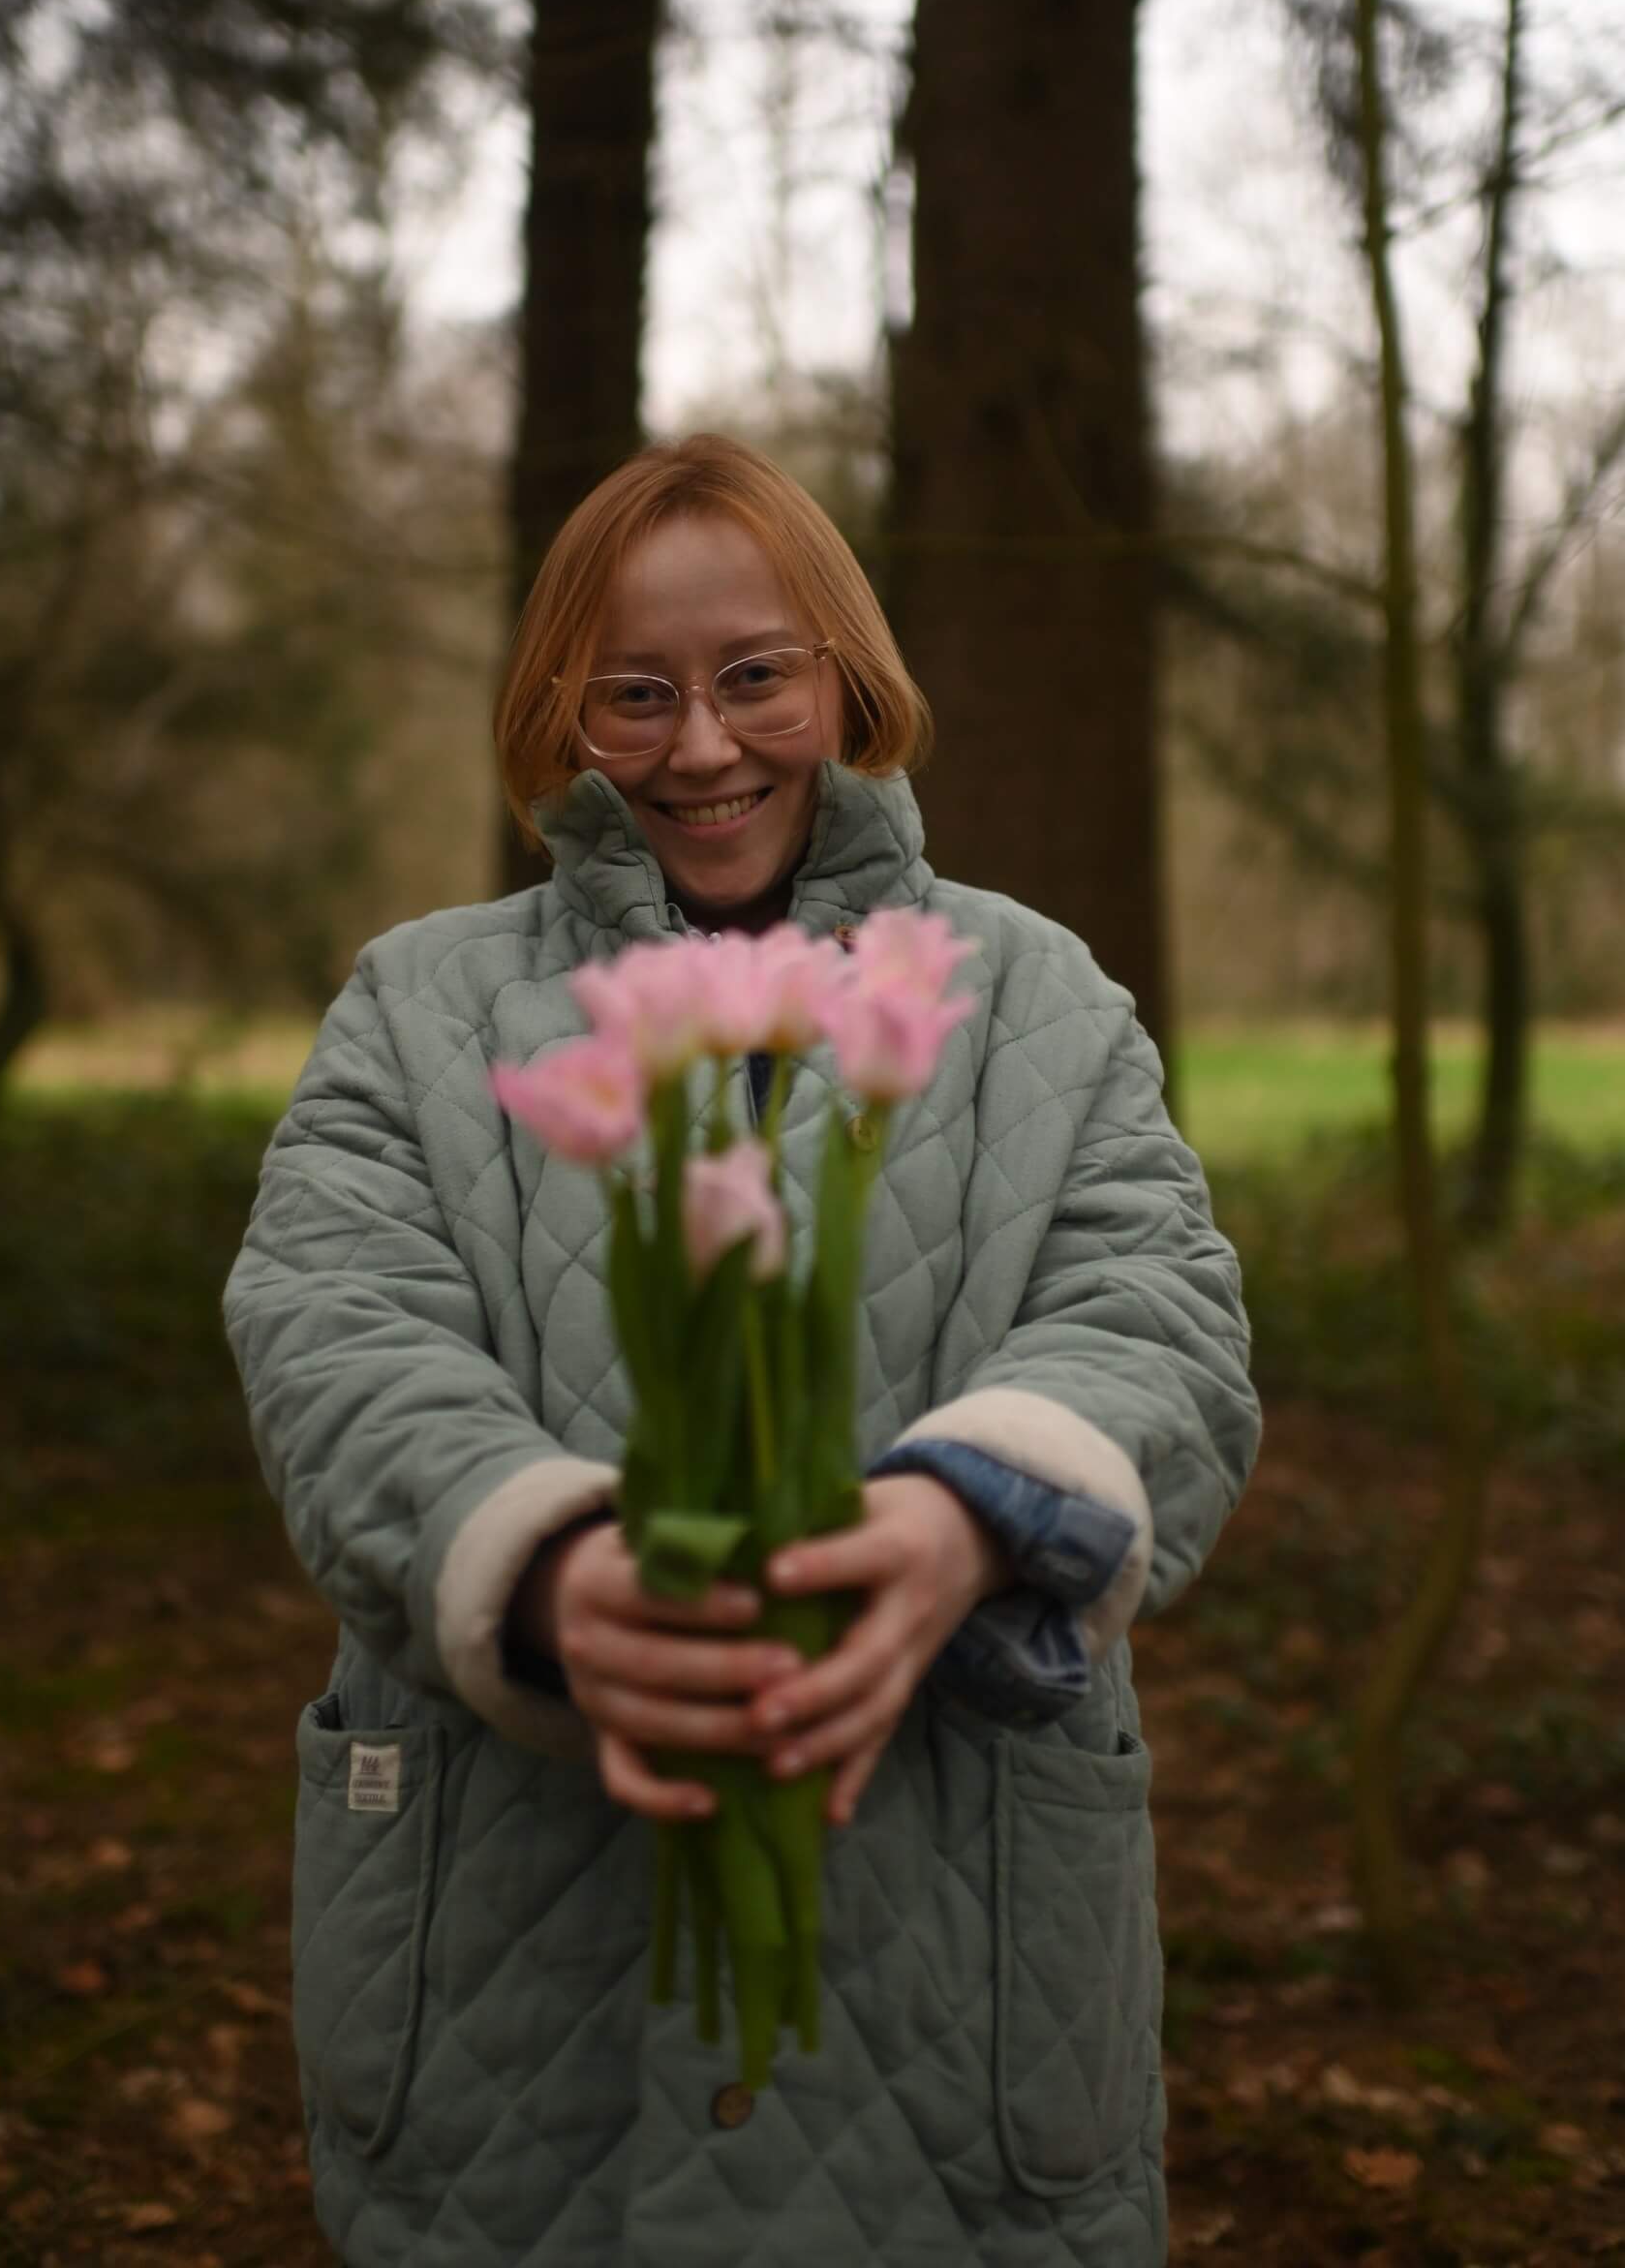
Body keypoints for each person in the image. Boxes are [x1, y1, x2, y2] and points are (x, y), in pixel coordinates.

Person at [225, 432, 1260, 2268]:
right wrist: (543, 1563)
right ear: (566, 713)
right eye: (637, 694)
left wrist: (969, 1518)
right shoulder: (419, 1003)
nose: (702, 747)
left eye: (754, 676)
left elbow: (1160, 1318)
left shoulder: (1037, 995)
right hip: (513, 1952)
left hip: (959, 1935)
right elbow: (332, 1325)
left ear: (848, 681)